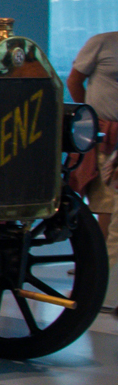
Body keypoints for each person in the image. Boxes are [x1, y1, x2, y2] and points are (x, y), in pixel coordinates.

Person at [66, 30, 118, 270]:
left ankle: (99, 266)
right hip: (105, 132)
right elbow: (74, 80)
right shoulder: (103, 42)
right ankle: (97, 266)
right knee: (107, 202)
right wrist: (90, 119)